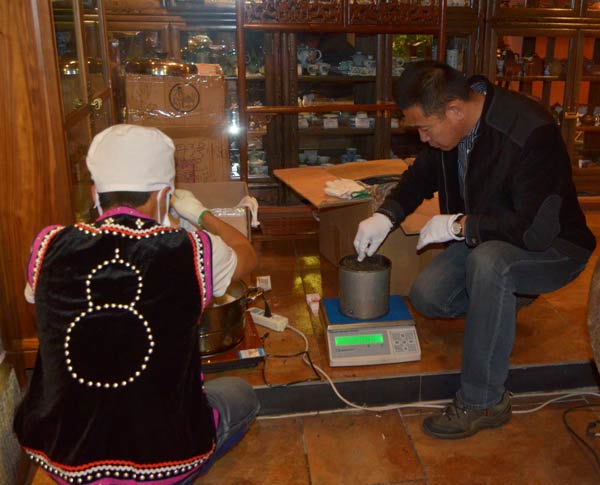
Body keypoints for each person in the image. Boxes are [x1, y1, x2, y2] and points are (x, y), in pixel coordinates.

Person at [353, 61, 596, 440]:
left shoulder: (530, 132)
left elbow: (533, 232)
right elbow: (421, 174)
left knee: (490, 265)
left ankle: (484, 401)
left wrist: (460, 226)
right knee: (429, 295)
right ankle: (501, 300)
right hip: (489, 234)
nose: (422, 138)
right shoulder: (452, 129)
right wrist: (386, 216)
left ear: (454, 110)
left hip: (554, 246)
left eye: (425, 128)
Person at [14, 124, 259, 483]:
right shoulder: (191, 249)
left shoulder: (49, 245)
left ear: (95, 193)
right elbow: (247, 255)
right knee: (241, 394)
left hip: (64, 461)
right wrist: (200, 215)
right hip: (166, 462)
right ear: (165, 195)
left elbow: (38, 297)